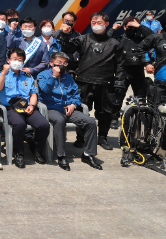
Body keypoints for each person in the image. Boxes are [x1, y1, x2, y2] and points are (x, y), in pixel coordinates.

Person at [57, 12, 125, 151]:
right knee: (82, 111)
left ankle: (103, 137)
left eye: (99, 23)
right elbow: (66, 49)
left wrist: (119, 82)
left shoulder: (115, 44)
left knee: (105, 113)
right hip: (84, 82)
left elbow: (120, 65)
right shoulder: (83, 39)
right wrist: (64, 35)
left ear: (106, 24)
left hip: (105, 83)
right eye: (93, 22)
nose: (96, 25)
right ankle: (81, 138)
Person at [37, 52, 102, 171]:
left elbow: (76, 94)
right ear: (52, 63)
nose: (62, 65)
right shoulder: (43, 75)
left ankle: (88, 154)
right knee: (59, 120)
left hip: (67, 109)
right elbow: (45, 89)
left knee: (90, 122)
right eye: (59, 62)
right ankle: (61, 155)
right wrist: (54, 77)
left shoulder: (69, 77)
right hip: (51, 108)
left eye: (65, 63)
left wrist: (73, 104)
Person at [0, 47, 50, 168]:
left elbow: (33, 94)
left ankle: (37, 149)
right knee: (19, 124)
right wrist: (4, 73)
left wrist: (32, 105)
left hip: (27, 107)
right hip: (10, 108)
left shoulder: (28, 76)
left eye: (20, 59)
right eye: (14, 59)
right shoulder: (1, 74)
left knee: (44, 125)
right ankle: (19, 153)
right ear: (8, 60)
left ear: (23, 62)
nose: (17, 61)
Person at [109, 17, 150, 109]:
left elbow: (154, 37)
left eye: (134, 27)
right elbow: (104, 40)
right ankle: (114, 118)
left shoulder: (141, 40)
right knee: (117, 98)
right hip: (122, 72)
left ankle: (139, 119)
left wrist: (140, 26)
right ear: (124, 27)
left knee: (141, 100)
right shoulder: (118, 40)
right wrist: (113, 29)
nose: (132, 29)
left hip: (138, 72)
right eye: (129, 27)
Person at [140, 29, 166, 105]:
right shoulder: (157, 38)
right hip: (160, 83)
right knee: (156, 110)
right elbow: (141, 48)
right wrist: (147, 63)